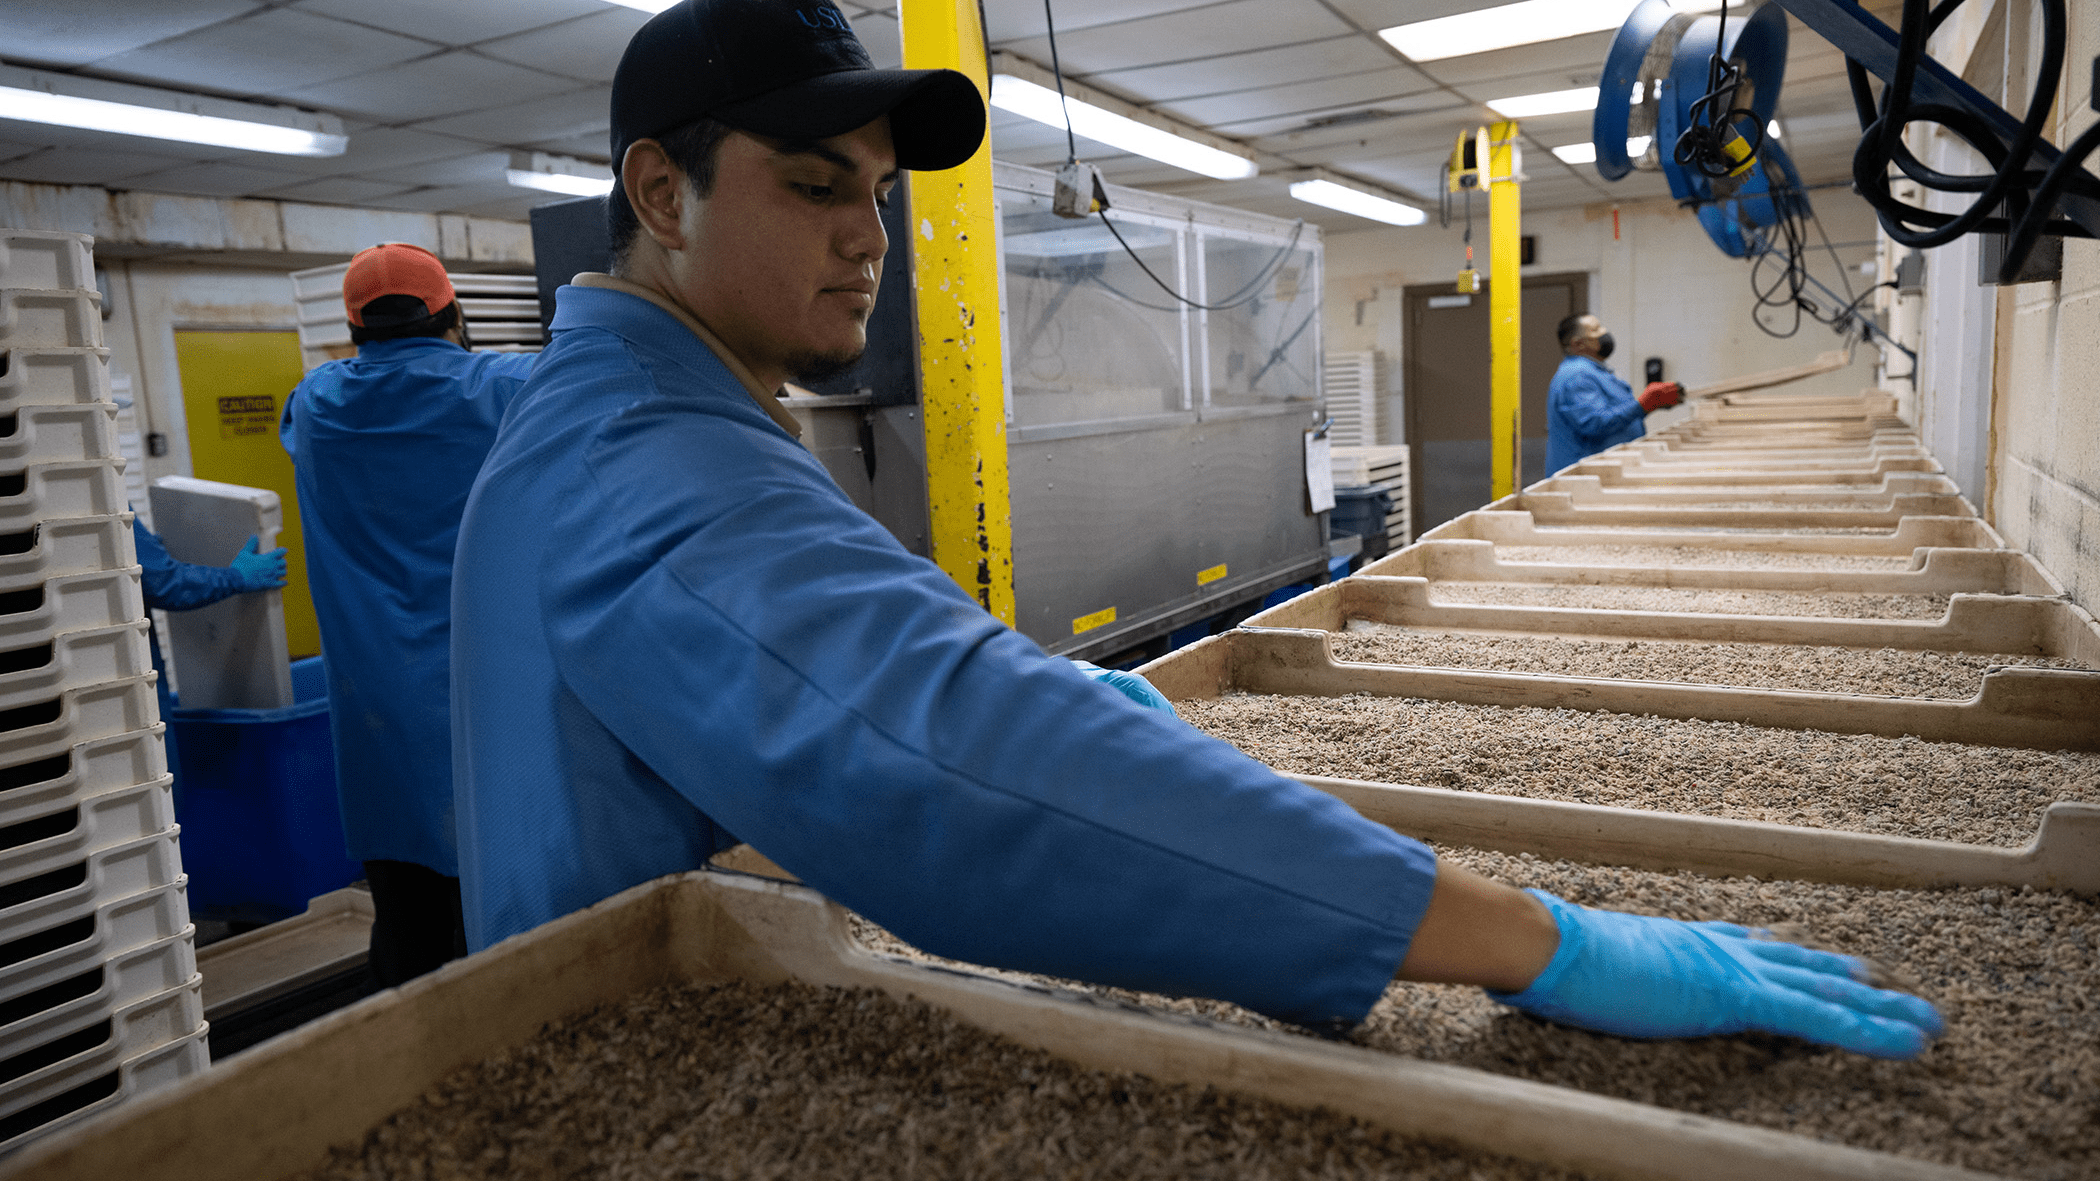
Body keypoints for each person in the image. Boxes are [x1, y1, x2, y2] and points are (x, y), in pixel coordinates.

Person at [451, 0, 1941, 1057]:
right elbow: (963, 759)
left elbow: (742, 724)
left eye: (885, 195)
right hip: (645, 1046)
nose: (869, 238)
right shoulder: (643, 461)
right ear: (662, 190)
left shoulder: (590, 413)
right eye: (816, 185)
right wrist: (1536, 939)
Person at [281, 243, 536, 989]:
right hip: (496, 712)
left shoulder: (317, 404)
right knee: (517, 930)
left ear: (356, 330)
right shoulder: (505, 388)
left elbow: (314, 404)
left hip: (380, 729)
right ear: (454, 313)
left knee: (409, 936)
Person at [1545, 313, 1684, 473]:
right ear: (1578, 344)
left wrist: (1651, 404)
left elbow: (1615, 417)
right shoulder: (1576, 376)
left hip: (1604, 473)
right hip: (1585, 478)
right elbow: (1595, 423)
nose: (1604, 332)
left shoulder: (1595, 372)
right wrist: (1641, 406)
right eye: (1596, 330)